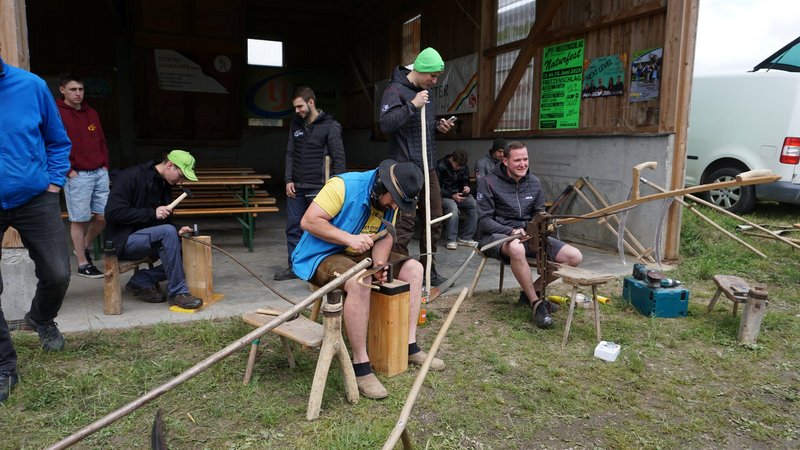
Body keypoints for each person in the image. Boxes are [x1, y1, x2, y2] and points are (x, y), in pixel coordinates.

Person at [291, 160, 445, 399]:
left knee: (414, 268)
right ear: (380, 187)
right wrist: (348, 239)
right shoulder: (342, 186)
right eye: (394, 200)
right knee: (360, 281)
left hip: (359, 252)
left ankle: (409, 346)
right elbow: (308, 221)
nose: (395, 205)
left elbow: (385, 235)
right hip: (321, 254)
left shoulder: (392, 197)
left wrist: (380, 266)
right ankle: (361, 366)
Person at [0, 56, 72, 403]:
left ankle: (41, 318)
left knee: (58, 272)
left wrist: (54, 184)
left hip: (35, 197)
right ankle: (4, 365)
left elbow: (58, 141)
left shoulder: (30, 86)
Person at [476, 141, 582, 329]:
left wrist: (539, 226)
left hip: (528, 234)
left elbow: (539, 212)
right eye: (517, 160)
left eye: (525, 159)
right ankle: (536, 303)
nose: (523, 164)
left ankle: (529, 292)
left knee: (574, 257)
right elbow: (484, 220)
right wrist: (511, 231)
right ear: (505, 161)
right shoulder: (488, 181)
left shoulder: (534, 182)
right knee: (516, 248)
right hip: (496, 236)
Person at [379, 47, 454, 286]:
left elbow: (419, 128)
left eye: (437, 77)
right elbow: (386, 124)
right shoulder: (395, 90)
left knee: (434, 216)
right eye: (432, 76)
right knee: (404, 222)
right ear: (419, 69)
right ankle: (400, 270)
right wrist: (412, 105)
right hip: (404, 167)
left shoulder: (425, 92)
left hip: (427, 164)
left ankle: (428, 269)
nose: (434, 81)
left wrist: (437, 127)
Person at [104, 150, 203, 310]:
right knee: (167, 232)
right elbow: (112, 213)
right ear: (170, 165)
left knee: (184, 243)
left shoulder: (164, 184)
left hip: (148, 238)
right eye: (181, 175)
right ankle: (178, 293)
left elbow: (164, 221)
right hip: (122, 240)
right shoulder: (131, 176)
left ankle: (142, 279)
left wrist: (178, 229)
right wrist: (152, 213)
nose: (180, 182)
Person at [275, 86, 346, 281]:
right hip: (296, 186)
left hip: (320, 187)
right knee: (293, 227)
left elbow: (339, 158)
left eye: (300, 106)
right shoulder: (296, 124)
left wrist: (338, 187)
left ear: (311, 102)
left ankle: (319, 269)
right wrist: (288, 179)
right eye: (295, 107)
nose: (297, 111)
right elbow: (290, 152)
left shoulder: (330, 125)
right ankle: (294, 267)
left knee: (319, 229)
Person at [57, 73, 110, 279]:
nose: (78, 93)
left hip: (99, 171)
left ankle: (83, 247)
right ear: (63, 90)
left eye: (80, 89)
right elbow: (52, 143)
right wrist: (68, 170)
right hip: (76, 174)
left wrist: (105, 164)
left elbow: (101, 141)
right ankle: (82, 263)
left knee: (104, 216)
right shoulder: (57, 113)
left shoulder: (92, 113)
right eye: (73, 89)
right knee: (79, 219)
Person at [436, 149, 477, 250]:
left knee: (474, 204)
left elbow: (466, 181)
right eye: (457, 165)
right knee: (452, 208)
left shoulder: (464, 167)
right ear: (451, 159)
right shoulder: (440, 165)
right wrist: (451, 195)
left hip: (459, 194)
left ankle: (465, 237)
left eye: (461, 166)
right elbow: (436, 188)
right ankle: (451, 239)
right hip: (444, 196)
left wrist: (467, 187)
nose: (458, 168)